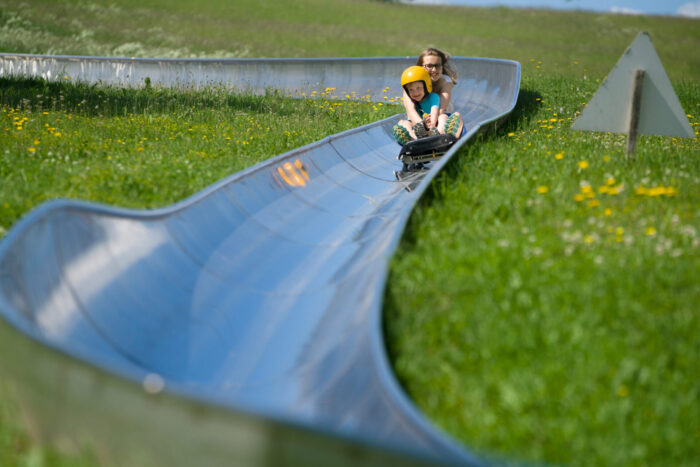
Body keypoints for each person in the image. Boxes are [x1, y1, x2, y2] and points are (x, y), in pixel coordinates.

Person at [393, 48, 464, 145]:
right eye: (429, 66)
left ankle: (441, 136)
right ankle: (412, 141)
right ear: (420, 67)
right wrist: (422, 125)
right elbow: (410, 110)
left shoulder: (445, 82)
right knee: (403, 123)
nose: (434, 70)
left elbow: (441, 108)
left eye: (437, 66)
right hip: (418, 124)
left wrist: (431, 127)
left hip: (438, 122)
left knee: (446, 117)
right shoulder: (411, 83)